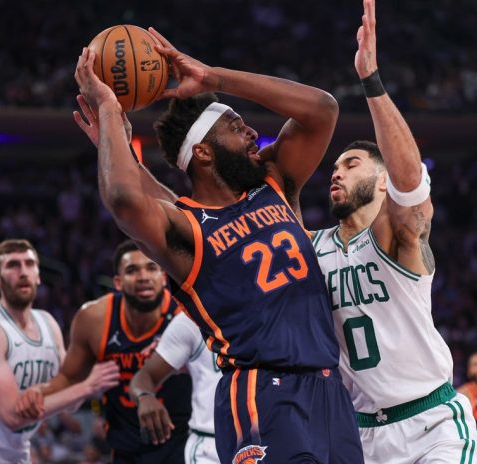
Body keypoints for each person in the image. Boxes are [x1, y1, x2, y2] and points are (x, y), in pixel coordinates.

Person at [73, 20, 363, 463]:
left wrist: (212, 78)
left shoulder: (274, 182)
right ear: (204, 152)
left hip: (329, 391)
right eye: (236, 126)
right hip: (261, 393)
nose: (252, 134)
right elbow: (124, 199)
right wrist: (110, 110)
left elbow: (322, 109)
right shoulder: (186, 230)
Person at [311, 1, 477, 463]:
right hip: (362, 433)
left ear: (381, 180)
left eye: (351, 164)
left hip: (431, 424)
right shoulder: (313, 245)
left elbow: (411, 182)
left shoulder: (398, 235)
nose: (337, 172)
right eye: (334, 167)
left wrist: (371, 81)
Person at [0, 239, 118, 464]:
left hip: (15, 455)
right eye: (13, 265)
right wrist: (87, 386)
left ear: (38, 276)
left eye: (29, 264)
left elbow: (72, 401)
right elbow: (13, 417)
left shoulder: (48, 324)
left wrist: (80, 382)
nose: (23, 272)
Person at [16, 241, 192, 463]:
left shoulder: (186, 316)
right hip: (125, 449)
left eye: (151, 268)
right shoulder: (94, 319)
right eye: (132, 270)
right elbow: (69, 378)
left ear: (164, 278)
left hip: (187, 446)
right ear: (117, 282)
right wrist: (38, 391)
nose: (143, 277)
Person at [129, 309, 222, 464]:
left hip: (263, 437)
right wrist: (145, 396)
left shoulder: (267, 315)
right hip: (210, 445)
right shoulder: (192, 320)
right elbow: (146, 375)